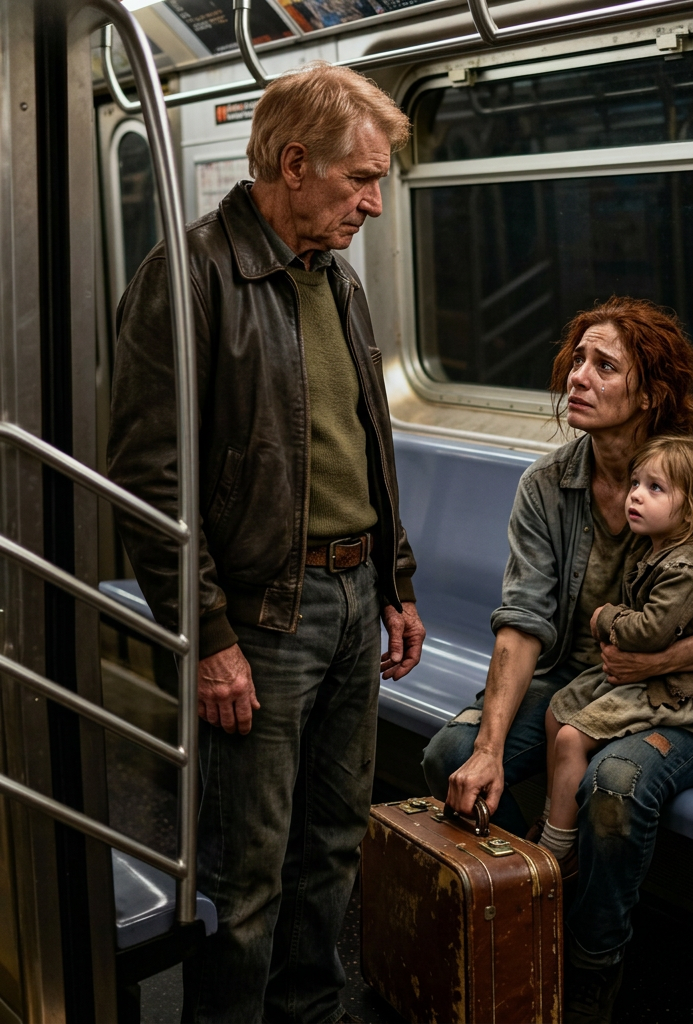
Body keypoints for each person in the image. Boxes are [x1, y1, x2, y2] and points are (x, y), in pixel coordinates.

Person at [107, 62, 425, 1023]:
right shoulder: (195, 271)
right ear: (294, 162)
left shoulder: (338, 279)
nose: (373, 202)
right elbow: (152, 473)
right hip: (261, 615)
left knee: (332, 845)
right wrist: (207, 636)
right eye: (358, 179)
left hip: (351, 598)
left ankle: (310, 1013)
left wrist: (394, 582)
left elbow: (363, 437)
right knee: (248, 872)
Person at [422, 296, 693, 1024]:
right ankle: (529, 900)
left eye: (603, 366)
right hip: (580, 685)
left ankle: (590, 964)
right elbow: (521, 624)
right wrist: (488, 748)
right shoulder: (548, 486)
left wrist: (661, 658)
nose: (577, 377)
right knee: (449, 755)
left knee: (613, 786)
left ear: (648, 394)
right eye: (576, 361)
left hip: (691, 696)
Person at [538, 435, 693, 868]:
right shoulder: (658, 550)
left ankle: (556, 852)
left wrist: (606, 617)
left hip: (683, 694)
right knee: (556, 710)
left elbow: (652, 632)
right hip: (645, 679)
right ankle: (557, 819)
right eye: (636, 483)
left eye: (655, 488)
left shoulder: (687, 566)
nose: (635, 495)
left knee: (569, 737)